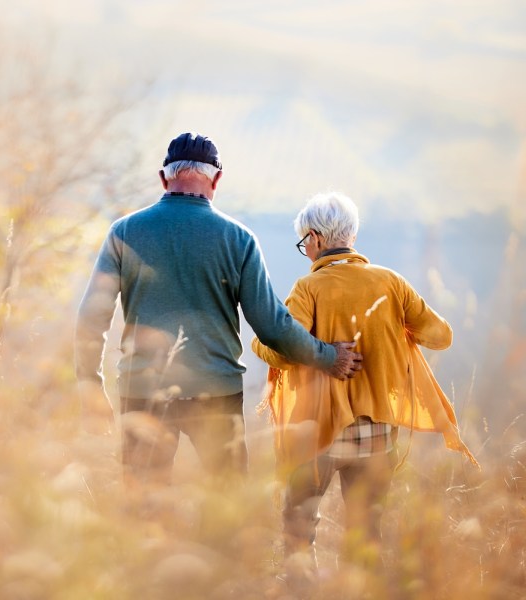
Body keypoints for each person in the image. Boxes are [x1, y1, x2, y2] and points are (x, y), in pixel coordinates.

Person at [74, 132, 363, 488]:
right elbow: (272, 326)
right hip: (216, 395)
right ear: (217, 179)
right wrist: (328, 356)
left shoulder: (124, 232)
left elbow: (91, 318)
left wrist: (90, 387)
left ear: (164, 178)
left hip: (143, 390)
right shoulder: (238, 239)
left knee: (143, 501)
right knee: (227, 500)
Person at [251, 191, 479, 579]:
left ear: (315, 239)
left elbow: (282, 350)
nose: (306, 251)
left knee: (299, 525)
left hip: (318, 433)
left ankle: (301, 589)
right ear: (351, 236)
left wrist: (260, 341)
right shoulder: (391, 283)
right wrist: (394, 328)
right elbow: (441, 336)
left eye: (304, 242)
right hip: (376, 436)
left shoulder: (308, 288)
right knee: (367, 529)